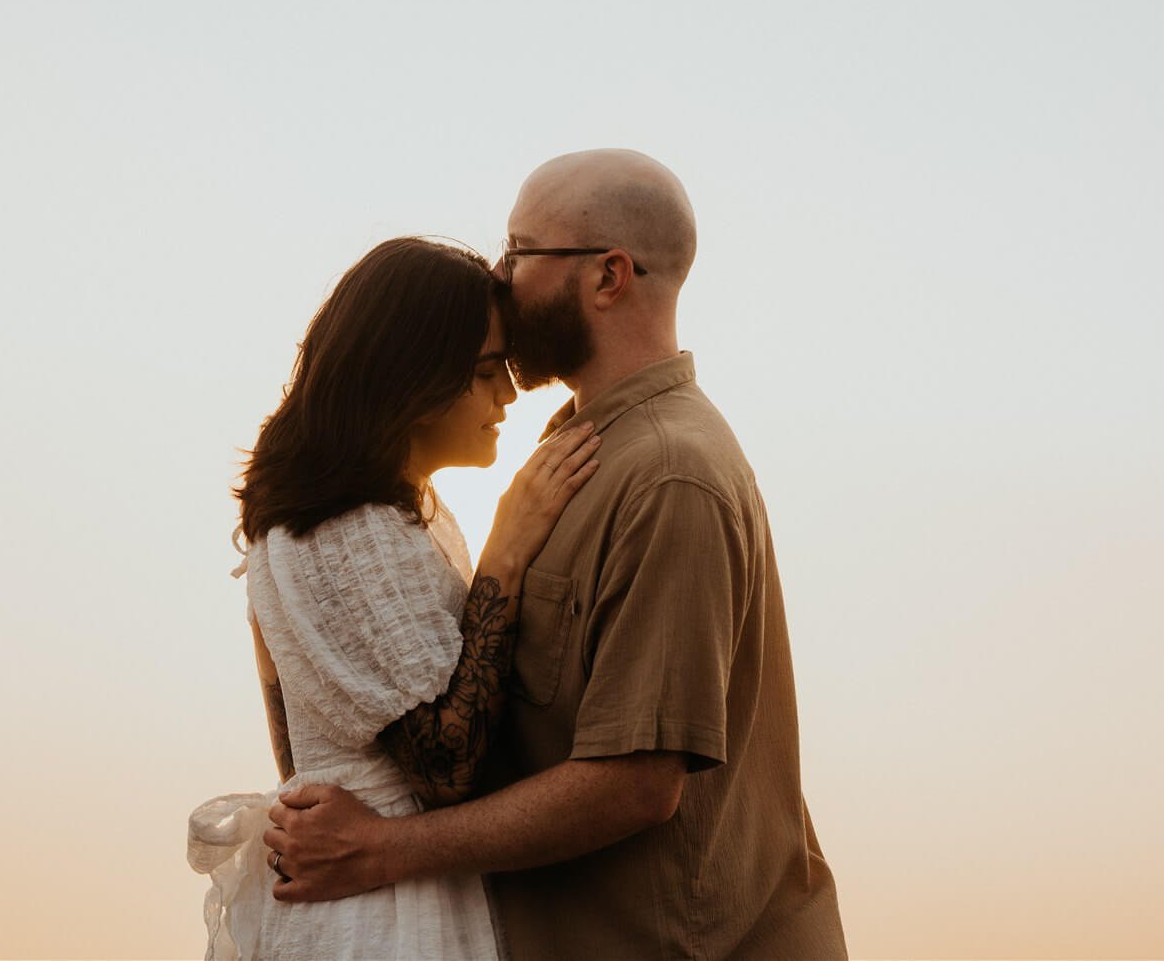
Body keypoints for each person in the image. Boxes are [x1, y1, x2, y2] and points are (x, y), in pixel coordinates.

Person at [264, 150, 848, 959]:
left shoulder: (671, 473)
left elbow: (637, 783)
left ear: (608, 276)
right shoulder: (571, 447)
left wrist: (381, 849)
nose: (498, 278)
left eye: (519, 251)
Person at [187, 236, 604, 960]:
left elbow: (295, 747)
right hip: (384, 912)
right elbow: (446, 769)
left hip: (358, 882)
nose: (506, 393)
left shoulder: (353, 517)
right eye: (485, 370)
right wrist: (507, 549)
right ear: (412, 377)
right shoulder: (355, 529)